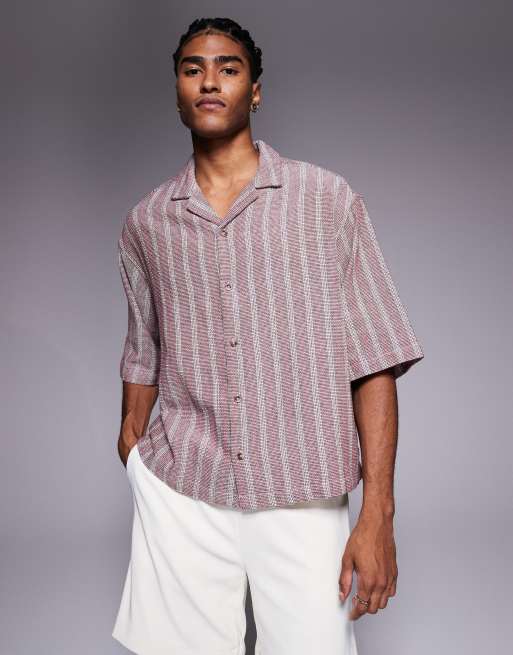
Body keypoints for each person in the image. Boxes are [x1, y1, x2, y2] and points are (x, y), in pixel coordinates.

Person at [111, 16, 424, 655]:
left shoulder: (325, 200)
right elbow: (144, 351)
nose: (209, 81)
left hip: (302, 491)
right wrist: (137, 457)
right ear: (177, 91)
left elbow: (375, 359)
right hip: (185, 490)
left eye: (228, 68)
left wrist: (378, 514)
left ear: (254, 91)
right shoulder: (147, 223)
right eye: (193, 69)